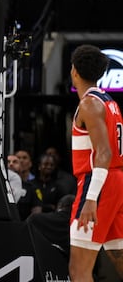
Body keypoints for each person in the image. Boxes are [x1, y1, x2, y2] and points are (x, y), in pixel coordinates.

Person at [68, 44, 123, 281]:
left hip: (98, 182)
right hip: (116, 182)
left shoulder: (89, 104)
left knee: (78, 270)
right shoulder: (110, 102)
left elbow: (104, 153)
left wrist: (91, 198)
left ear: (74, 72)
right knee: (118, 256)